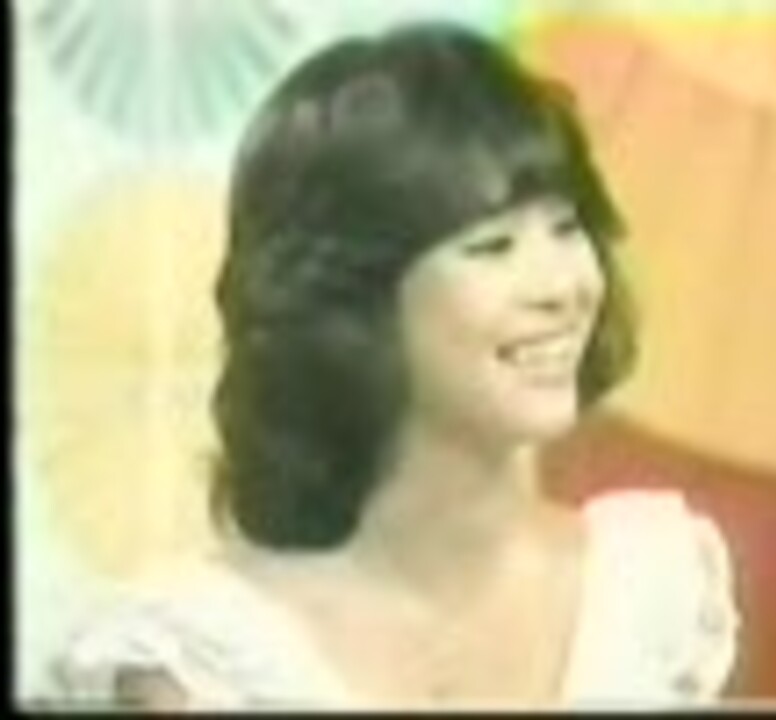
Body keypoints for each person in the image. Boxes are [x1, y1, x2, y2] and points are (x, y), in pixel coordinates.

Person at [45, 21, 740, 711]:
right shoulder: (208, 653)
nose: (562, 286)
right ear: (353, 302)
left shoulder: (650, 590)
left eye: (566, 228)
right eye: (493, 247)